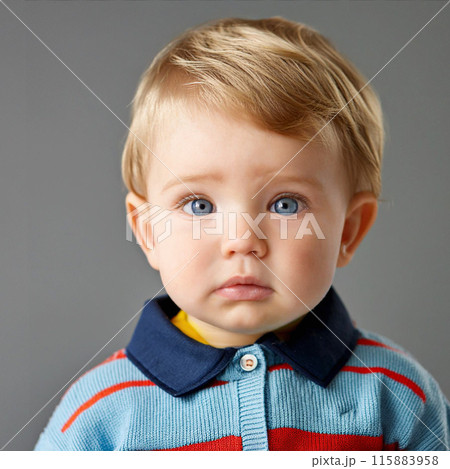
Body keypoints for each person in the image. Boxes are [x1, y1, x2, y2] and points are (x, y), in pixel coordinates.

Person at [34, 16, 450, 451]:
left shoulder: (400, 397)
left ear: (348, 229)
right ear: (148, 231)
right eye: (200, 205)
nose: (242, 240)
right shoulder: (97, 414)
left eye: (285, 204)